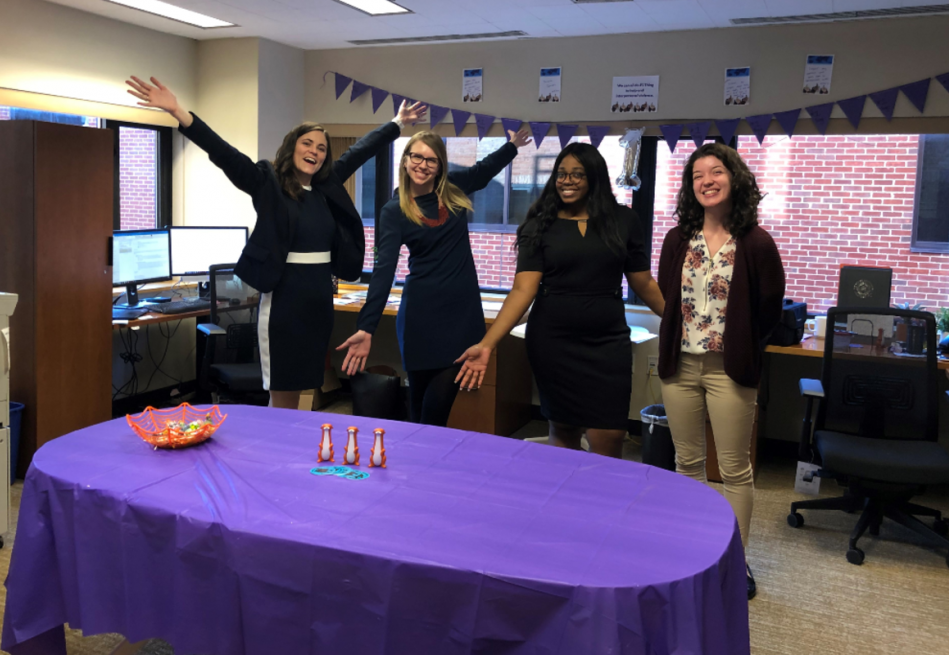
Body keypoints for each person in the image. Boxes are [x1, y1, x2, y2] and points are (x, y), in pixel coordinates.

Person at [126, 75, 425, 409]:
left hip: (319, 303)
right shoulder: (268, 183)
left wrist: (398, 123)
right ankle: (273, 454)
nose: (315, 151)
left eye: (322, 148)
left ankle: (295, 454)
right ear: (292, 146)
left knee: (308, 388)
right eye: (307, 143)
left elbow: (360, 151)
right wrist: (179, 112)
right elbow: (225, 154)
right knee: (282, 393)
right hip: (284, 301)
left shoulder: (327, 186)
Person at [455, 143, 664, 458]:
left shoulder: (624, 220)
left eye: (577, 174)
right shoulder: (539, 224)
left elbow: (642, 281)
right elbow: (523, 290)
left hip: (607, 341)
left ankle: (601, 506)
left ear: (594, 177)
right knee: (563, 430)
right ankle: (563, 504)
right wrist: (487, 345)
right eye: (561, 174)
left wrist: (678, 320)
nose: (567, 181)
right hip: (553, 341)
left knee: (609, 434)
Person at [655, 142, 785, 600]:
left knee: (733, 468)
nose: (706, 181)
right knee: (686, 463)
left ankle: (735, 563)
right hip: (680, 366)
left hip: (729, 370)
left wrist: (746, 343)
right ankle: (694, 554)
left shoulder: (756, 242)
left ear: (735, 179)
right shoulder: (677, 239)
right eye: (697, 176)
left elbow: (770, 307)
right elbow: (670, 298)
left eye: (715, 172)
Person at [337, 128, 532, 426]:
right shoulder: (394, 211)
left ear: (440, 166)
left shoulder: (452, 188)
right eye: (416, 156)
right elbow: (383, 271)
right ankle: (417, 469)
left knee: (437, 409)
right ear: (405, 160)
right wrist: (367, 327)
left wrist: (512, 146)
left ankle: (426, 463)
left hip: (461, 317)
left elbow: (484, 170)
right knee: (419, 408)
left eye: (432, 160)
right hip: (420, 319)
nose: (423, 164)